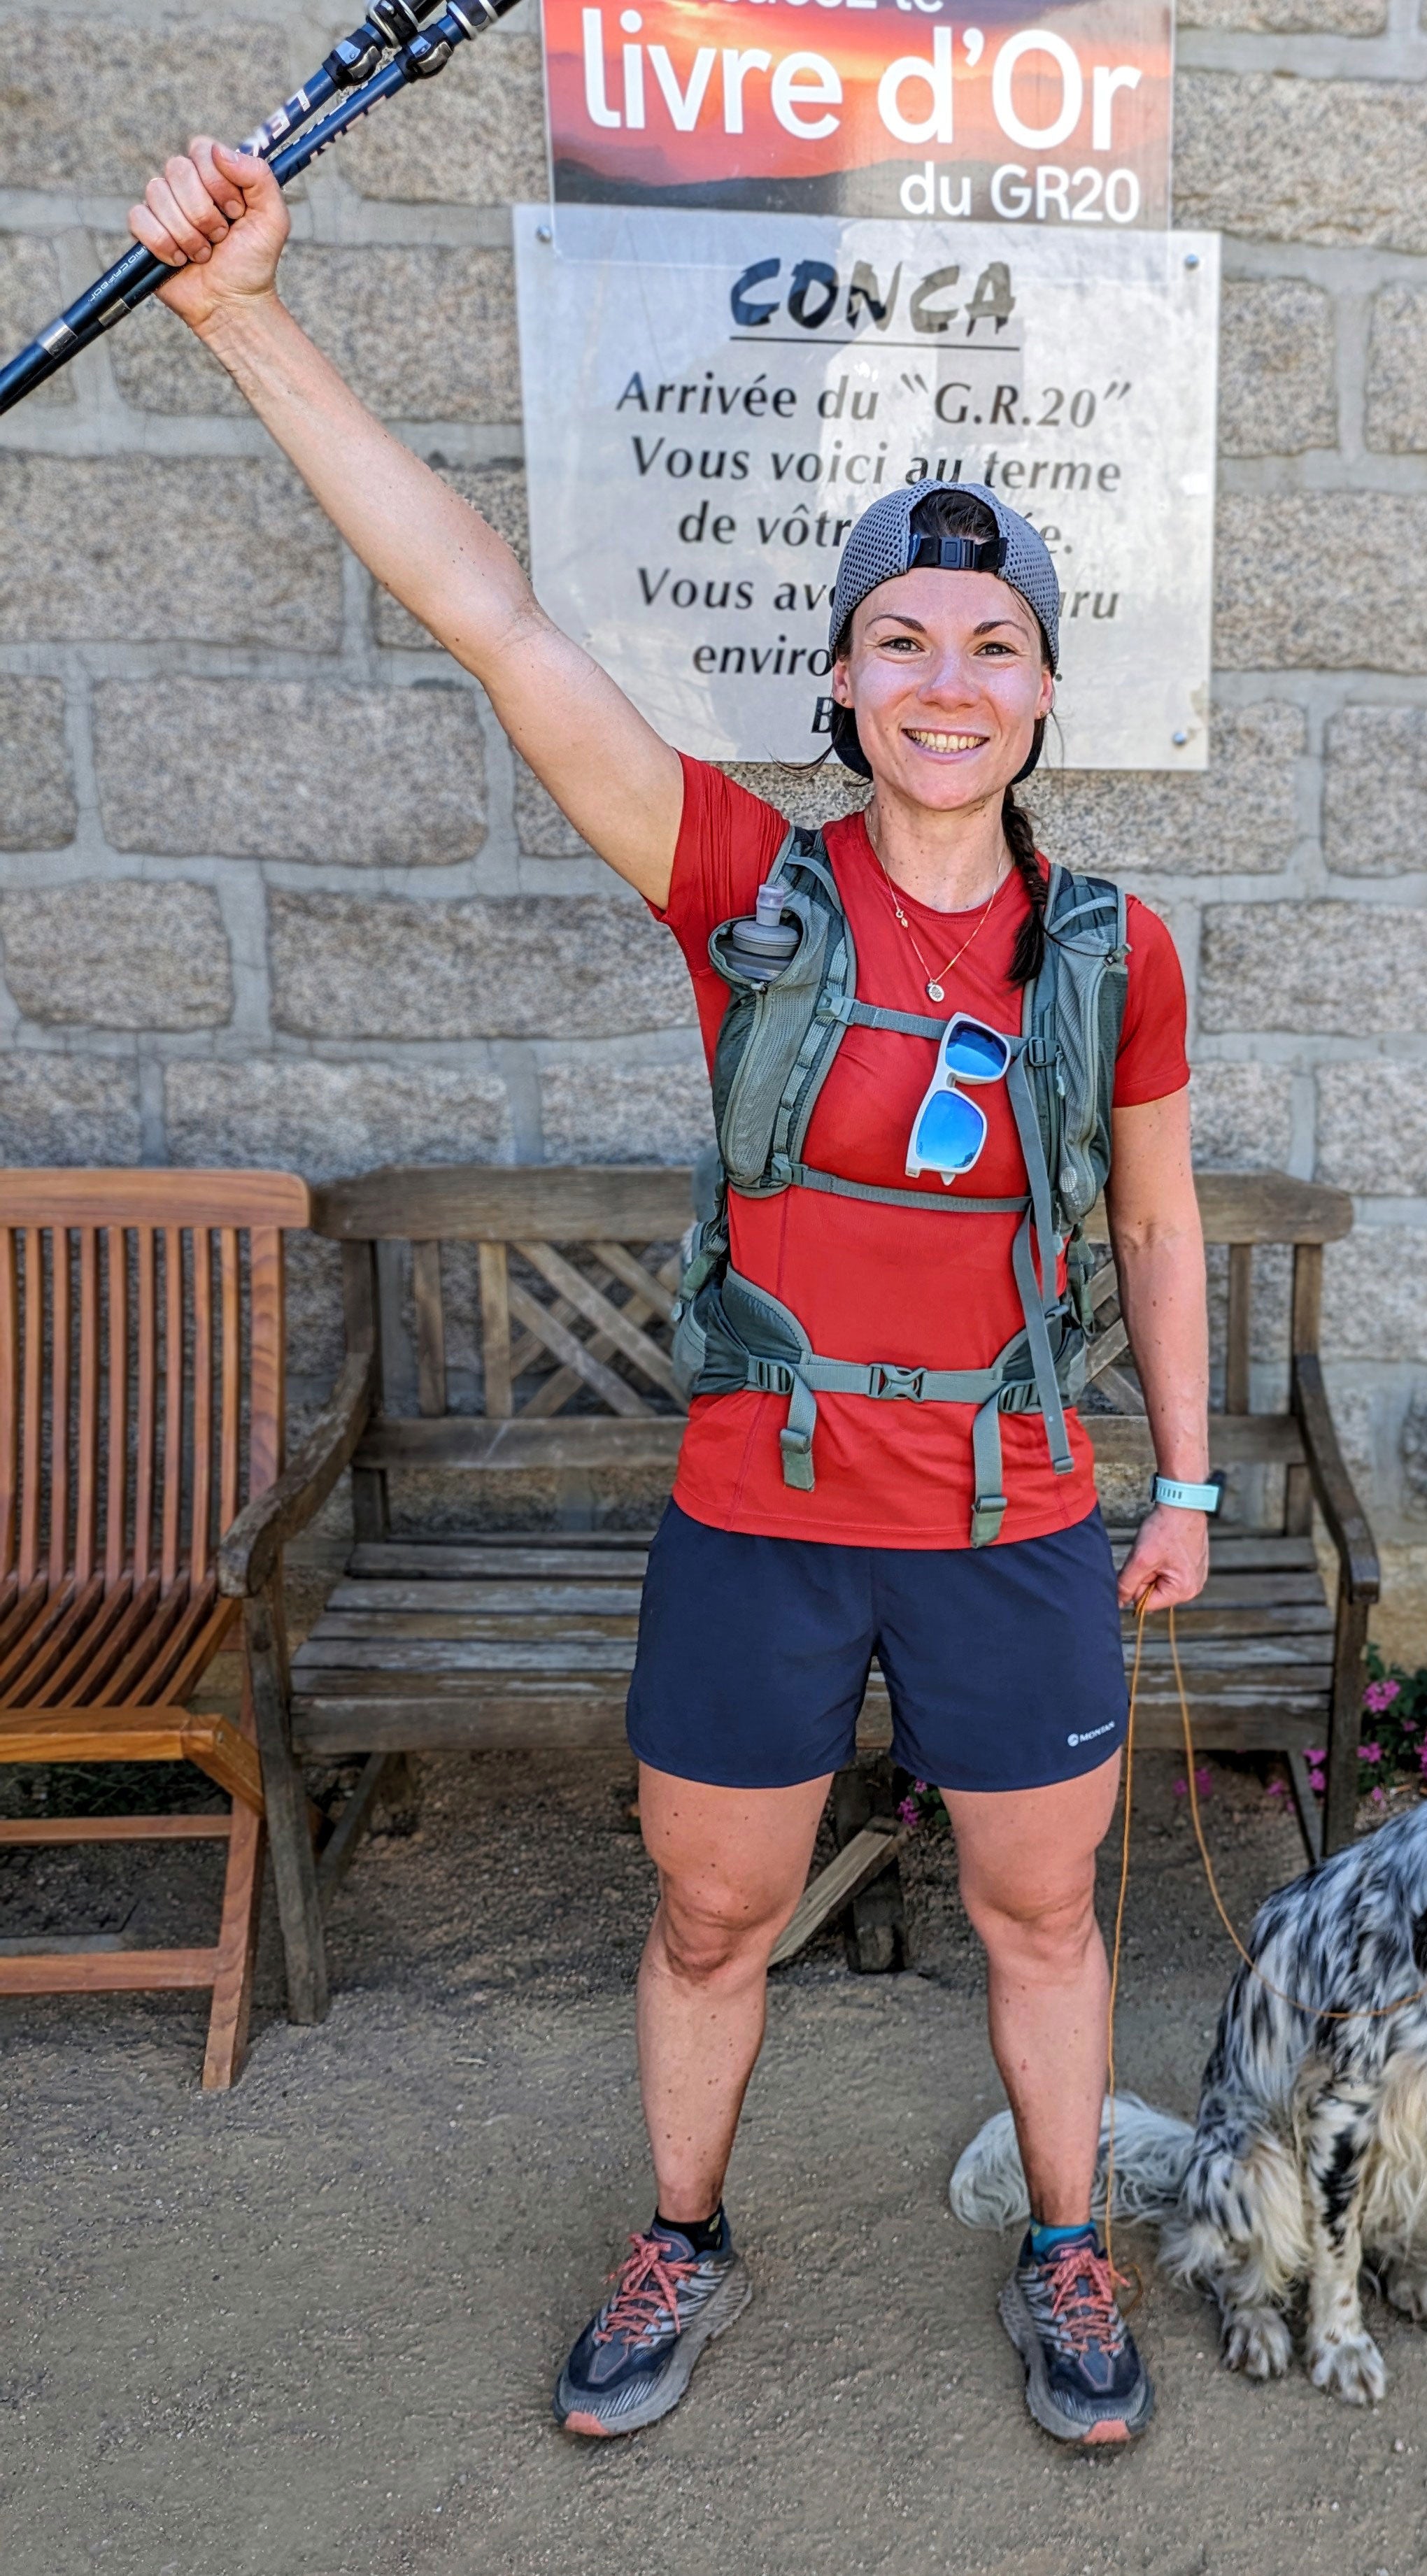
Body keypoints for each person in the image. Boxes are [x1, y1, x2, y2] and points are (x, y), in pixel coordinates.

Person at [128, 139, 1214, 2449]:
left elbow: (1153, 1220)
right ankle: (686, 2229)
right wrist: (240, 321)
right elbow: (500, 622)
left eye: (992, 640)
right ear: (841, 680)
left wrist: (1191, 1473)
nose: (948, 678)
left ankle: (1063, 2241)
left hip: (1020, 1515)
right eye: (902, 641)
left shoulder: (1114, 954)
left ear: (1044, 684)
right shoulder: (747, 892)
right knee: (714, 1916)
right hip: (767, 1512)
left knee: (1044, 1918)